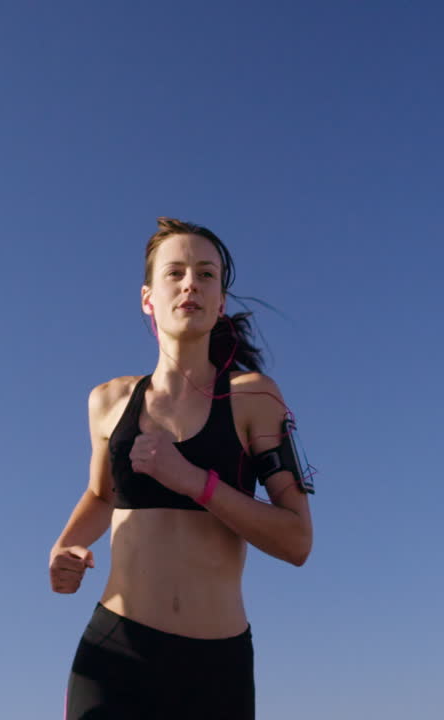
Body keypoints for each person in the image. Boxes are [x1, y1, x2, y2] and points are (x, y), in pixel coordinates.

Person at [50, 217, 314, 719]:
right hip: (115, 654)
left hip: (215, 668)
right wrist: (65, 545)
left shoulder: (254, 399)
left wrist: (195, 482)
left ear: (220, 302)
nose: (190, 282)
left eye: (206, 274)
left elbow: (297, 540)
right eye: (175, 272)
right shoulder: (108, 401)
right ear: (148, 298)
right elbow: (102, 496)